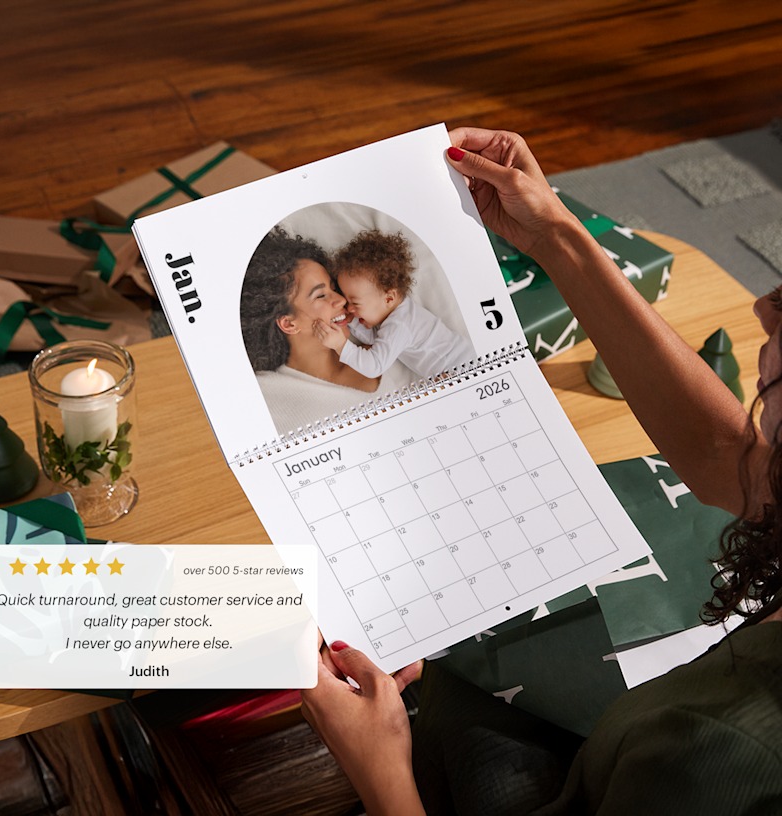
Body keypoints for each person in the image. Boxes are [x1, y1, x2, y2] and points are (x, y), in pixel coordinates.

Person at [300, 128, 782, 815]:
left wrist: (377, 768)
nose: (764, 306)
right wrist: (555, 232)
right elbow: (724, 462)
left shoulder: (714, 754)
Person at [240, 227, 414, 433]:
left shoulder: (386, 342)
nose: (340, 299)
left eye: (333, 288)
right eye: (321, 295)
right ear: (288, 324)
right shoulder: (265, 395)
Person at [313, 230, 474, 378]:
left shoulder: (400, 324)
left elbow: (374, 365)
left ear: (389, 298)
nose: (349, 308)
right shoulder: (398, 313)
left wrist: (340, 345)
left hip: (462, 368)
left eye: (355, 303)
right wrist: (353, 320)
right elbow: (377, 341)